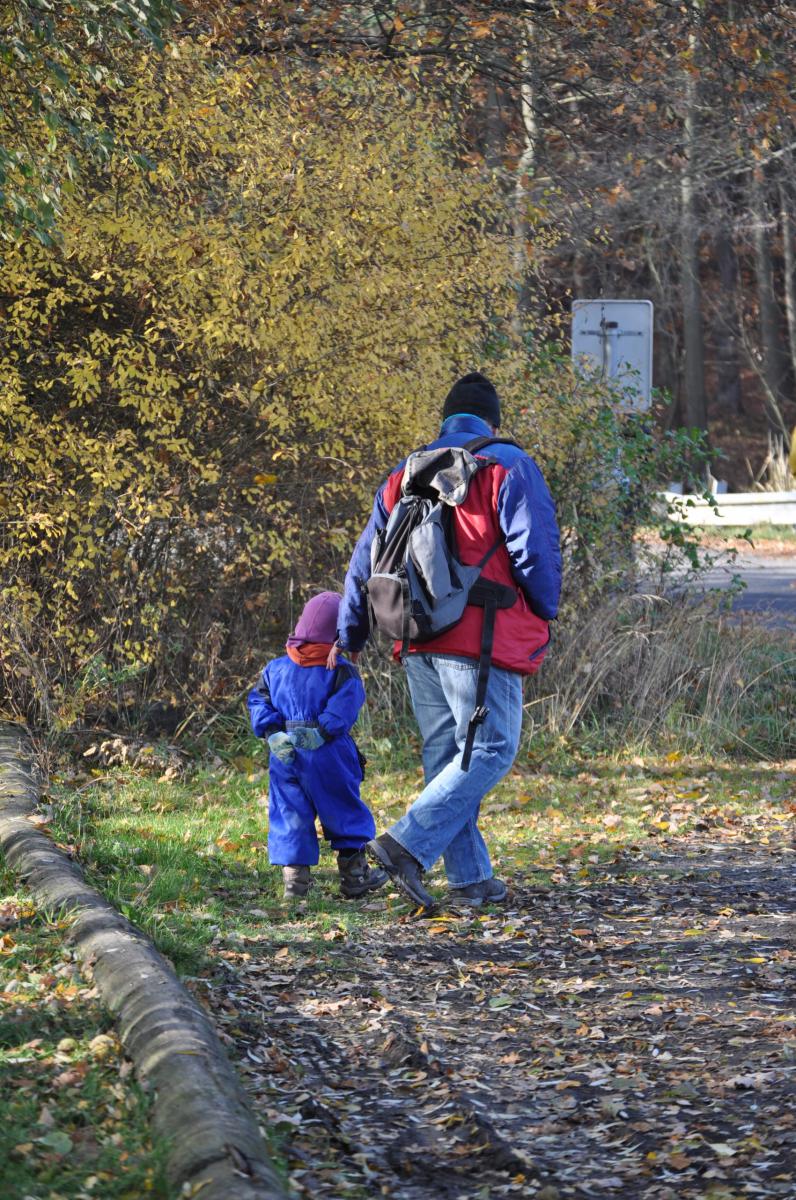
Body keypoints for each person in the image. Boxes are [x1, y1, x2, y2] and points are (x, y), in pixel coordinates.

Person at [332, 372, 562, 909]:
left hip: (416, 637)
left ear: (445, 418)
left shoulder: (403, 473)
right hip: (482, 636)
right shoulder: (507, 465)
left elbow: (365, 560)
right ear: (493, 421)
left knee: (446, 758)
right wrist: (545, 607)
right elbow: (536, 553)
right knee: (492, 749)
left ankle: (470, 879)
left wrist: (350, 633)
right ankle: (406, 844)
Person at [247, 591, 387, 900]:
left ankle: (295, 885)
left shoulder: (275, 669)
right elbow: (345, 706)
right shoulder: (341, 670)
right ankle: (354, 878)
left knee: (289, 811)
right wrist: (323, 730)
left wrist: (272, 732)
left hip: (285, 755)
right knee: (343, 809)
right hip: (329, 753)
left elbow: (258, 700)